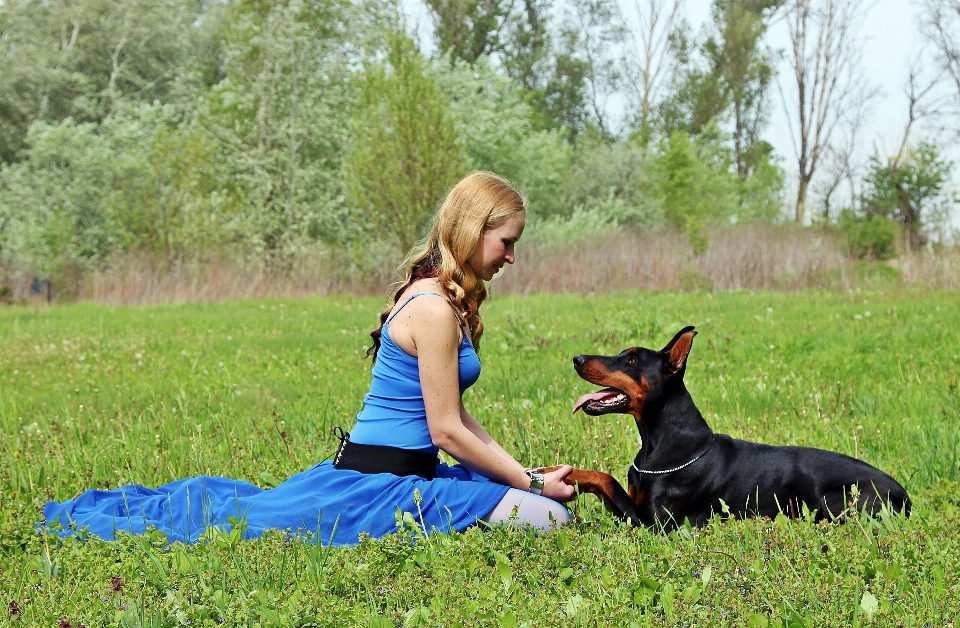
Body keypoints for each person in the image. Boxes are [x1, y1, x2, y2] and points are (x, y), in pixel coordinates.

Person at [43, 172, 573, 546]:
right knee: (549, 518)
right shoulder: (434, 307)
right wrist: (528, 483)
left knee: (548, 510)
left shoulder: (440, 294)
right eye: (506, 241)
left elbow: (455, 416)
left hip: (414, 475)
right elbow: (446, 432)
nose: (510, 256)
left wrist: (520, 473)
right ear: (472, 228)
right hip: (380, 484)